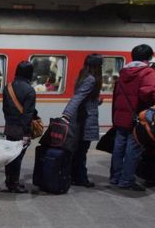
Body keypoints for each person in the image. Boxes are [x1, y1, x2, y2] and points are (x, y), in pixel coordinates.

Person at [111, 44, 155, 191]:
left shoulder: (124, 71)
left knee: (118, 148)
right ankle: (126, 181)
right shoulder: (147, 72)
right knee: (133, 150)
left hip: (120, 116)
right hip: (137, 117)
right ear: (149, 57)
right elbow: (148, 94)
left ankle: (115, 177)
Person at [62, 54, 103, 188]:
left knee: (77, 150)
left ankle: (74, 176)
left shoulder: (82, 76)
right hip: (85, 121)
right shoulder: (91, 79)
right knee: (81, 151)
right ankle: (80, 178)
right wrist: (66, 114)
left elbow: (83, 97)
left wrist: (96, 101)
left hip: (80, 118)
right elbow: (78, 97)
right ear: (97, 66)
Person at [2, 61, 37, 193]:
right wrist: (27, 134)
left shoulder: (8, 87)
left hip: (9, 126)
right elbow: (27, 115)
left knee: (9, 156)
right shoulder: (29, 90)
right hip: (21, 129)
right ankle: (14, 184)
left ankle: (9, 181)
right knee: (17, 157)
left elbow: (4, 109)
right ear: (30, 73)